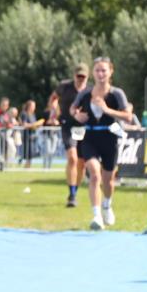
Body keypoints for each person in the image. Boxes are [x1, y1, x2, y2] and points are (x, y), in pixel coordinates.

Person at [71, 56, 133, 230]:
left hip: (110, 137)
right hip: (90, 136)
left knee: (108, 180)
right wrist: (76, 115)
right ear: (93, 73)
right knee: (94, 174)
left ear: (110, 72)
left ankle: (107, 204)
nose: (100, 74)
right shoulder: (85, 93)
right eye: (97, 70)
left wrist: (107, 110)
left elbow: (128, 116)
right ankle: (96, 215)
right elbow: (72, 108)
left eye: (104, 70)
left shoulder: (117, 93)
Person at [55, 64, 90, 207]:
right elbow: (53, 98)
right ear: (74, 75)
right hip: (68, 125)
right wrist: (54, 110)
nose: (80, 79)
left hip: (83, 128)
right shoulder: (64, 86)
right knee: (72, 158)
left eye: (83, 77)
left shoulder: (91, 90)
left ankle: (75, 189)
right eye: (78, 76)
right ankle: (72, 195)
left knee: (81, 163)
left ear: (87, 77)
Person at [18, 99, 41, 168]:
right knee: (28, 154)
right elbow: (24, 124)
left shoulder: (33, 114)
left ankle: (27, 167)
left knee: (31, 154)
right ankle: (24, 165)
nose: (34, 108)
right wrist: (33, 125)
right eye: (33, 106)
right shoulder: (24, 113)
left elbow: (34, 124)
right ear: (29, 106)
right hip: (26, 136)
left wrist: (37, 125)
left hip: (33, 136)